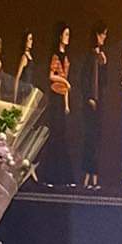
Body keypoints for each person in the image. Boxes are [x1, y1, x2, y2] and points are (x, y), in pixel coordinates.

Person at [41, 22, 74, 188]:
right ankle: (50, 176)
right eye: (66, 34)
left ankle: (63, 177)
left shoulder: (65, 57)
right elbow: (52, 76)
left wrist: (67, 103)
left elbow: (65, 84)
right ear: (60, 36)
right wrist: (65, 82)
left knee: (62, 135)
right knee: (55, 134)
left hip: (61, 97)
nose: (68, 38)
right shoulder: (55, 56)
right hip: (54, 96)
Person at [80, 20, 108, 190]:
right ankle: (87, 176)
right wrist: (89, 97)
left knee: (96, 139)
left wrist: (104, 65)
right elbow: (83, 80)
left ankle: (94, 177)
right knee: (89, 139)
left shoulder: (100, 56)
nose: (104, 37)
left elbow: (104, 82)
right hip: (89, 104)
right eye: (102, 34)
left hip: (99, 104)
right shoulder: (89, 56)